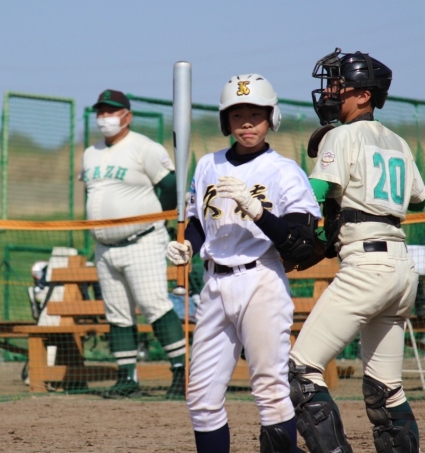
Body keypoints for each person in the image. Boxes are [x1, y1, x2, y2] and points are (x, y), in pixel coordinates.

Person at [167, 74, 320, 453]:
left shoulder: (283, 170)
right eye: (237, 115)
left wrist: (257, 211)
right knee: (201, 397)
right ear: (226, 121)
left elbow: (301, 239)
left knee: (270, 389)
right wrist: (188, 246)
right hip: (214, 285)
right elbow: (197, 222)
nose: (247, 123)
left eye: (256, 114)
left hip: (260, 280)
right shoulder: (208, 164)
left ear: (272, 118)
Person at [289, 49, 425, 453]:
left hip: (366, 266)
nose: (330, 91)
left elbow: (312, 193)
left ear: (364, 95)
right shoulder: (398, 141)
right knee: (386, 390)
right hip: (401, 268)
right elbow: (421, 199)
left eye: (339, 84)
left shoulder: (341, 135)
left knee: (300, 371)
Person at [81, 89, 186, 399]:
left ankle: (182, 372)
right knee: (117, 314)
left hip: (142, 240)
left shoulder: (145, 147)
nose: (105, 117)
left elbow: (171, 186)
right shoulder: (90, 153)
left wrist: (161, 219)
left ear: (127, 116)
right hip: (104, 247)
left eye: (111, 111)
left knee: (154, 305)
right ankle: (126, 377)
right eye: (101, 111)